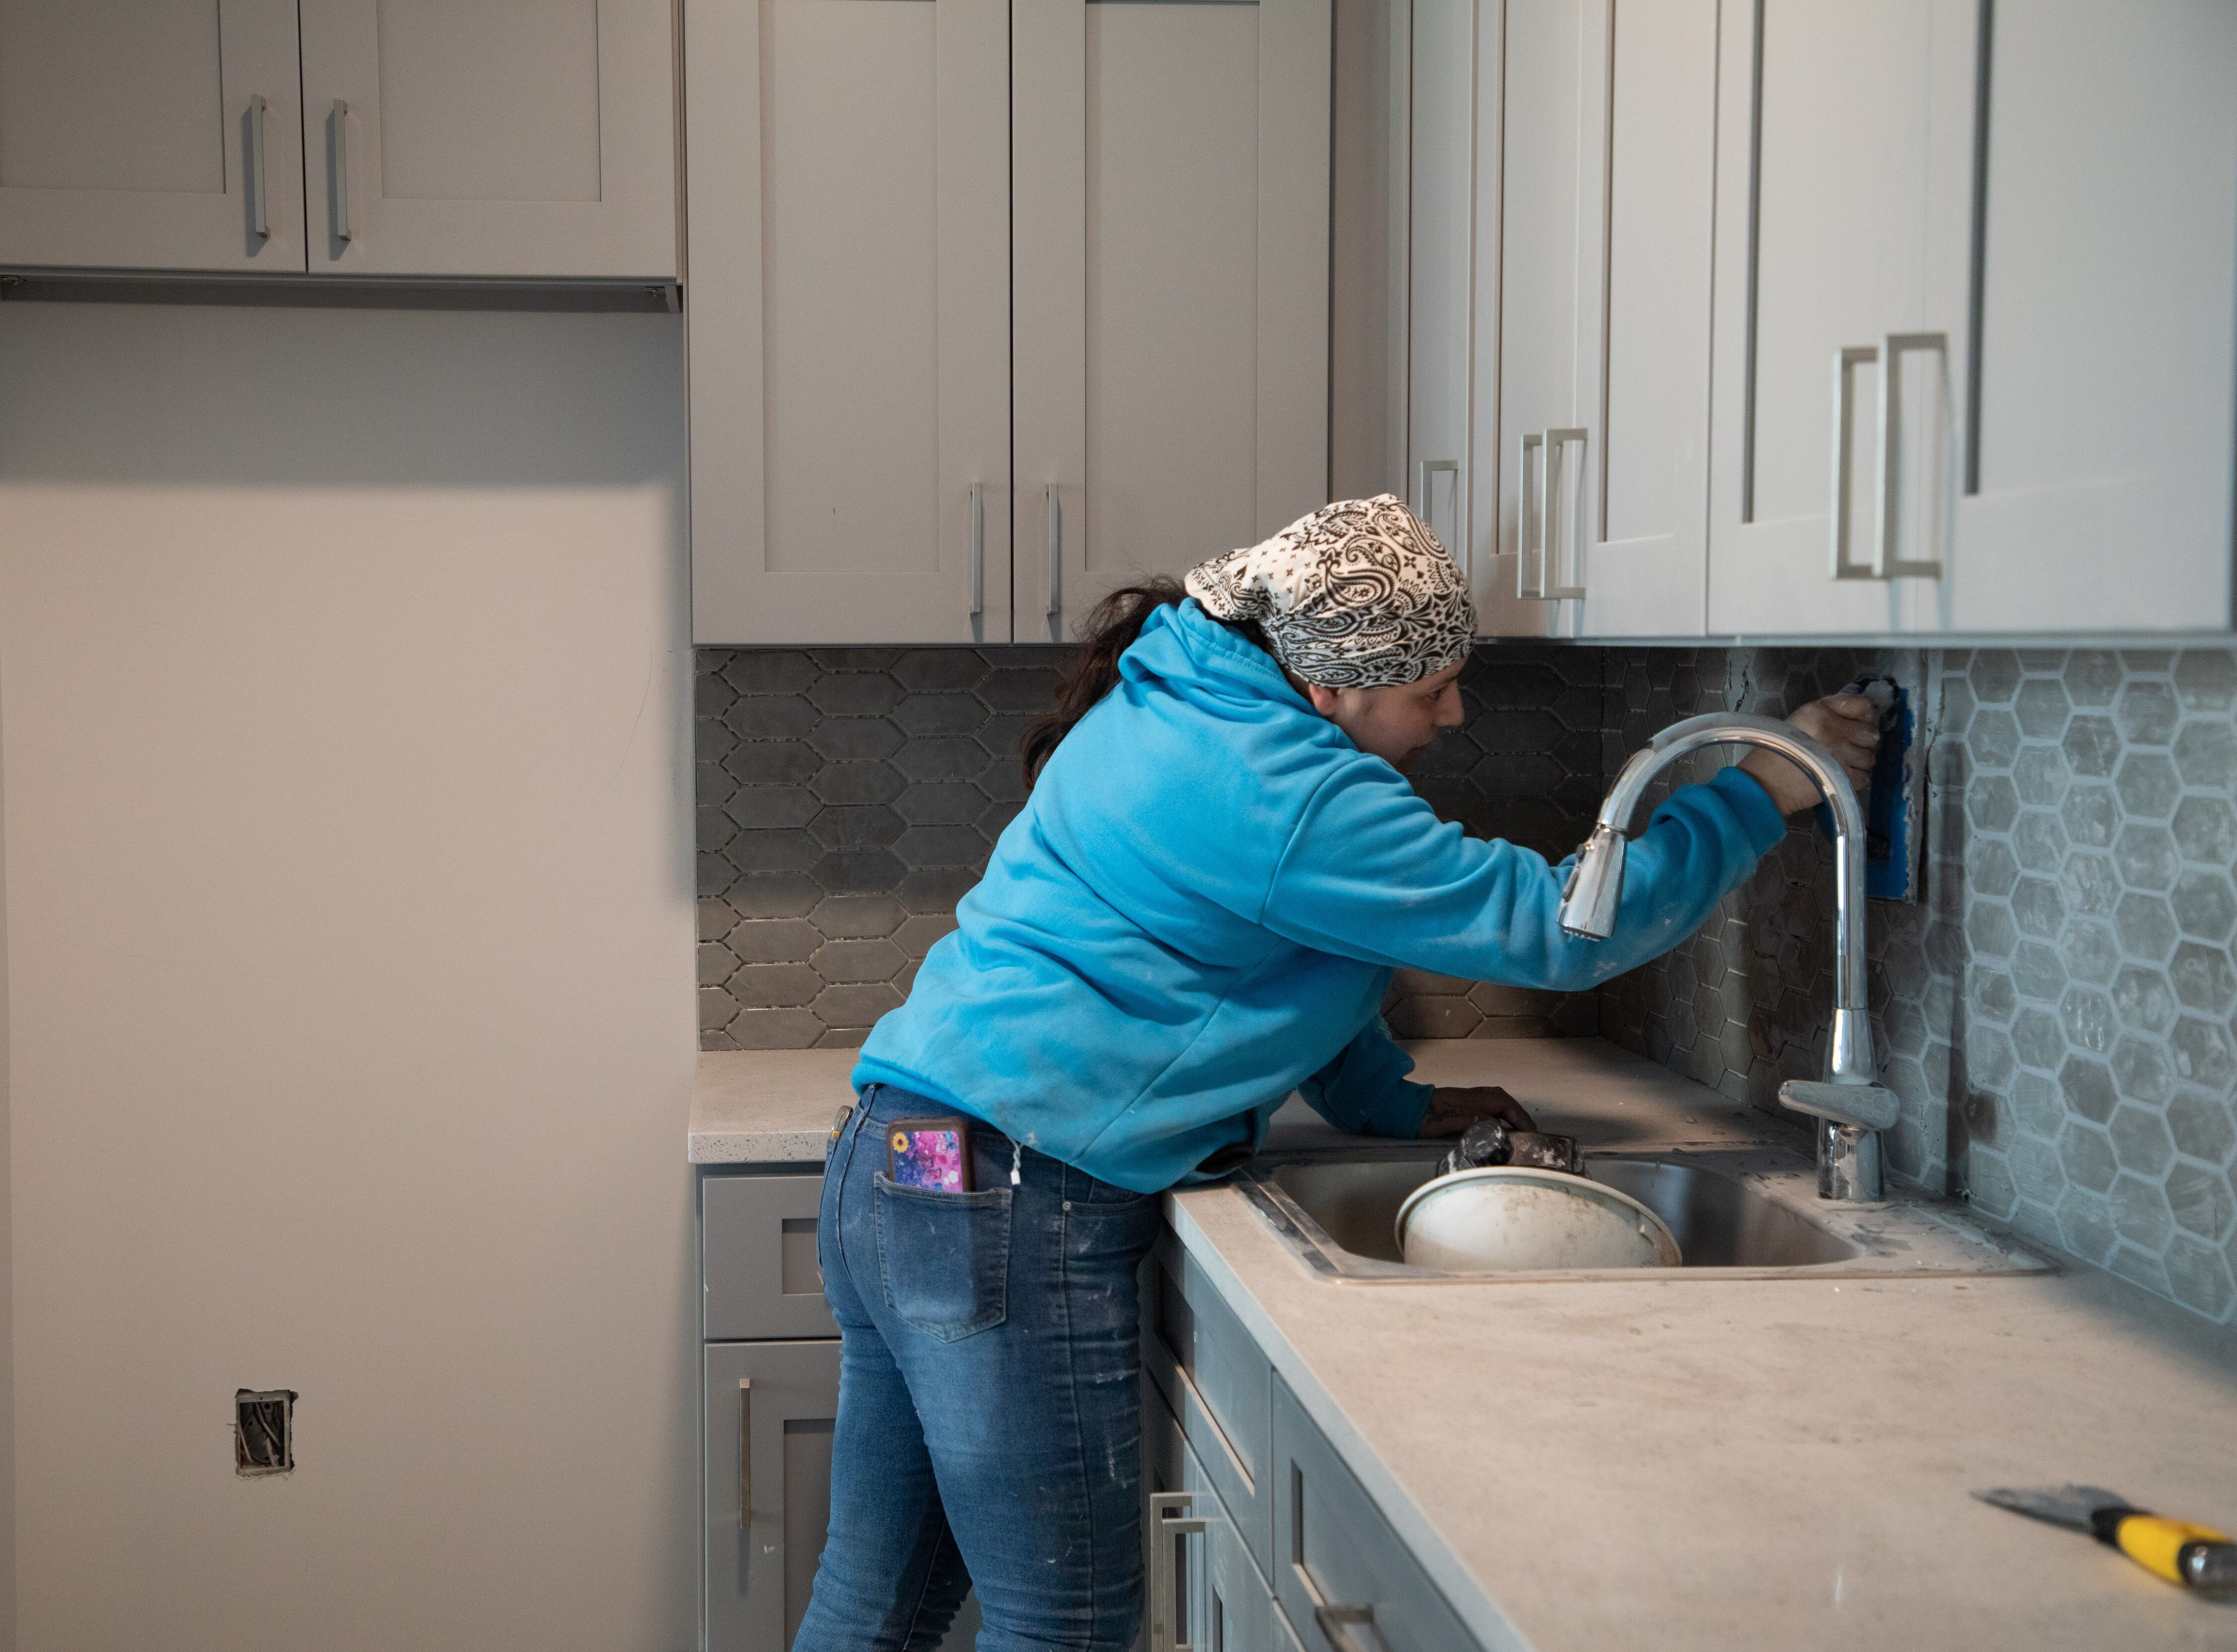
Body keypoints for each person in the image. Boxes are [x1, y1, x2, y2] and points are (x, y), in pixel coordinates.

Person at [791, 497, 1877, 1652]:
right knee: (1066, 1621)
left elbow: (1285, 943)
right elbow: (1561, 929)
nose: (1453, 715)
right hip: (1012, 1196)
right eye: (1430, 689)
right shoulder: (1289, 791)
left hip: (902, 1166)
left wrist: (1386, 1105)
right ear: (1331, 686)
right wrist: (1760, 790)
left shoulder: (1180, 696)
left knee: (877, 1606)